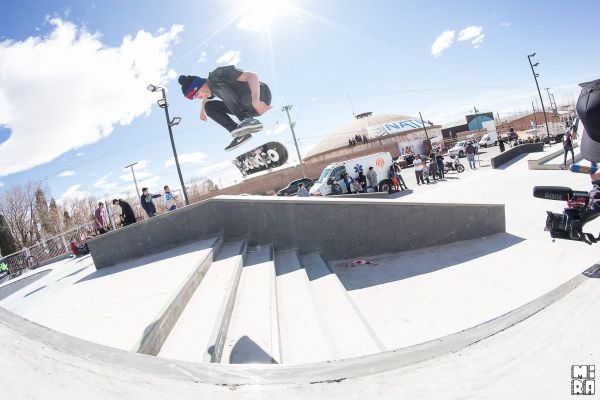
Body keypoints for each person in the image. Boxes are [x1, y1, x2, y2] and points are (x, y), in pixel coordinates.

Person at [178, 65, 272, 151]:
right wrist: (202, 111)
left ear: (199, 84)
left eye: (197, 94)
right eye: (196, 97)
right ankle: (240, 134)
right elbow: (205, 100)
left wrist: (256, 100)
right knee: (209, 107)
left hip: (260, 95)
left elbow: (252, 76)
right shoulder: (211, 90)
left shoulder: (218, 74)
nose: (199, 98)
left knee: (214, 83)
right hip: (250, 108)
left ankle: (246, 119)